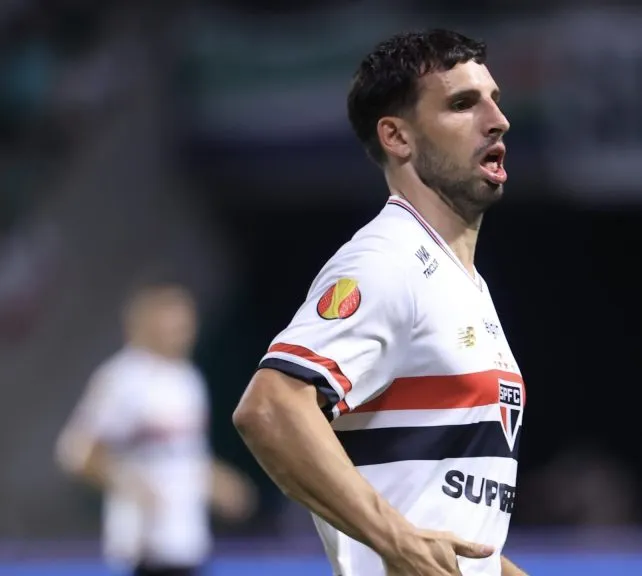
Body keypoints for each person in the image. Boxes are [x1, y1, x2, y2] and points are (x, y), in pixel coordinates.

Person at [232, 29, 528, 576]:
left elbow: (449, 531)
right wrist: (396, 541)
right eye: (463, 104)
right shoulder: (387, 261)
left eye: (495, 100)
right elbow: (270, 406)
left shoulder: (460, 282)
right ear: (396, 136)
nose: (498, 120)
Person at [56, 279, 256, 576]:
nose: (183, 331)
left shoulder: (186, 378)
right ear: (147, 322)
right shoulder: (122, 378)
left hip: (186, 540)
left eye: (186, 322)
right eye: (173, 322)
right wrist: (129, 484)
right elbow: (75, 452)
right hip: (142, 545)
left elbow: (181, 455)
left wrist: (218, 481)